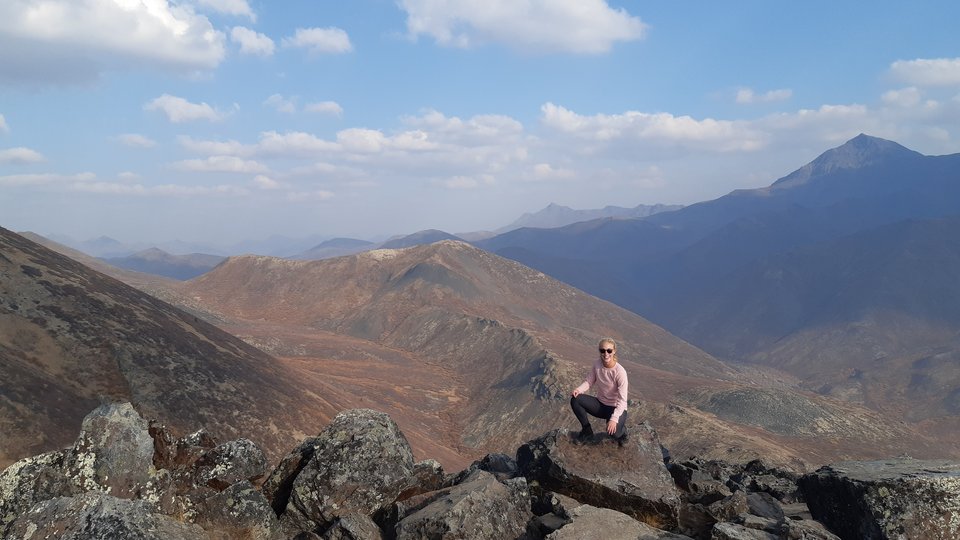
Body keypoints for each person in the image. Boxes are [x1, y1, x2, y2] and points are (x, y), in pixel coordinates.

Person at [570, 337, 628, 444]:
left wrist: (614, 419)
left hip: (616, 408)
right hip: (601, 405)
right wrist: (579, 389)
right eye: (602, 350)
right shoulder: (597, 364)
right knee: (575, 399)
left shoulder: (620, 372)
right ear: (599, 351)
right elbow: (589, 381)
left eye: (609, 350)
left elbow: (622, 400)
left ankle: (623, 431)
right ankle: (587, 430)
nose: (606, 354)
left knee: (613, 434)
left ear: (614, 351)